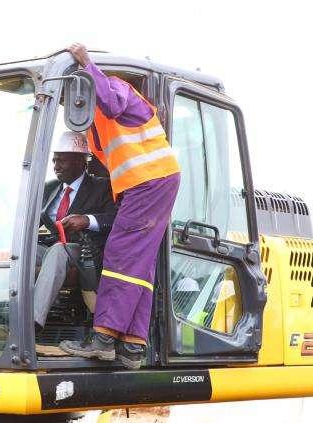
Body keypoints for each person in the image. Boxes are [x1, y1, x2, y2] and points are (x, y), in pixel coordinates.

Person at [59, 43, 181, 369]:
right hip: (150, 183)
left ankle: (103, 338)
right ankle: (133, 346)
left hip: (149, 181)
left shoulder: (115, 87)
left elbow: (112, 103)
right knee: (139, 263)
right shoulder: (96, 126)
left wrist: (86, 63)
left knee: (121, 254)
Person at [34, 131, 116, 333]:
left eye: (62, 160)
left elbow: (117, 219)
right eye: (54, 161)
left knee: (58, 252)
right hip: (54, 247)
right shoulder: (48, 189)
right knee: (18, 252)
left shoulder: (102, 187)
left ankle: (31, 323)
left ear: (81, 161)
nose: (56, 166)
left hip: (86, 251)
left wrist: (86, 220)